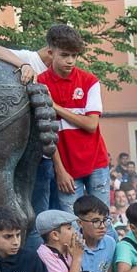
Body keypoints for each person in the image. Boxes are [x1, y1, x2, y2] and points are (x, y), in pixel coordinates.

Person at [36, 24, 111, 211]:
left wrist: (55, 107)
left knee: (103, 221)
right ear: (50, 52)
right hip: (66, 169)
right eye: (64, 55)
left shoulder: (90, 81)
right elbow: (46, 133)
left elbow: (91, 125)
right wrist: (59, 170)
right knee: (73, 225)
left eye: (74, 55)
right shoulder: (40, 83)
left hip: (96, 162)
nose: (70, 61)